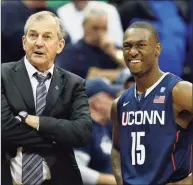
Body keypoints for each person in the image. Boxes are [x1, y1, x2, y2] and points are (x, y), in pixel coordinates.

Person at [2, 11, 92, 185]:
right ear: (24, 42)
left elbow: (83, 133)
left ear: (60, 45)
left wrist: (37, 122)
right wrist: (59, 137)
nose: (39, 43)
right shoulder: (3, 75)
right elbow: (4, 130)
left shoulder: (74, 83)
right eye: (33, 35)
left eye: (47, 37)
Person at [110, 21, 193, 185]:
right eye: (127, 46)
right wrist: (120, 180)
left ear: (157, 49)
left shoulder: (180, 91)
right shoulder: (120, 103)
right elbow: (117, 149)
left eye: (141, 45)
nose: (133, 52)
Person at [56, 5, 125, 81]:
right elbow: (93, 75)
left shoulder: (112, 48)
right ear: (84, 26)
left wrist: (113, 52)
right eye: (95, 28)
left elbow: (131, 68)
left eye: (104, 28)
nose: (100, 33)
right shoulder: (72, 51)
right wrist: (121, 74)